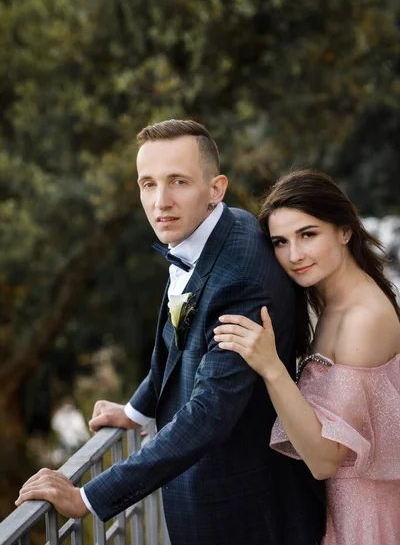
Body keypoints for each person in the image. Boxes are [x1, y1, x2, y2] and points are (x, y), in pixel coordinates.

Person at [16, 122, 325, 545]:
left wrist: (88, 497)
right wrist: (137, 409)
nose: (160, 202)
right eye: (148, 184)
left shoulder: (241, 278)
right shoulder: (214, 229)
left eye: (178, 182)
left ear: (215, 188)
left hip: (243, 511)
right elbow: (177, 339)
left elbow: (209, 414)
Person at [214, 169, 400, 545]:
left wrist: (271, 368)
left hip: (363, 522)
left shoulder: (363, 319)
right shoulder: (331, 300)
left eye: (308, 235)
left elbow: (324, 460)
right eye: (280, 242)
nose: (294, 255)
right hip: (332, 511)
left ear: (345, 231)